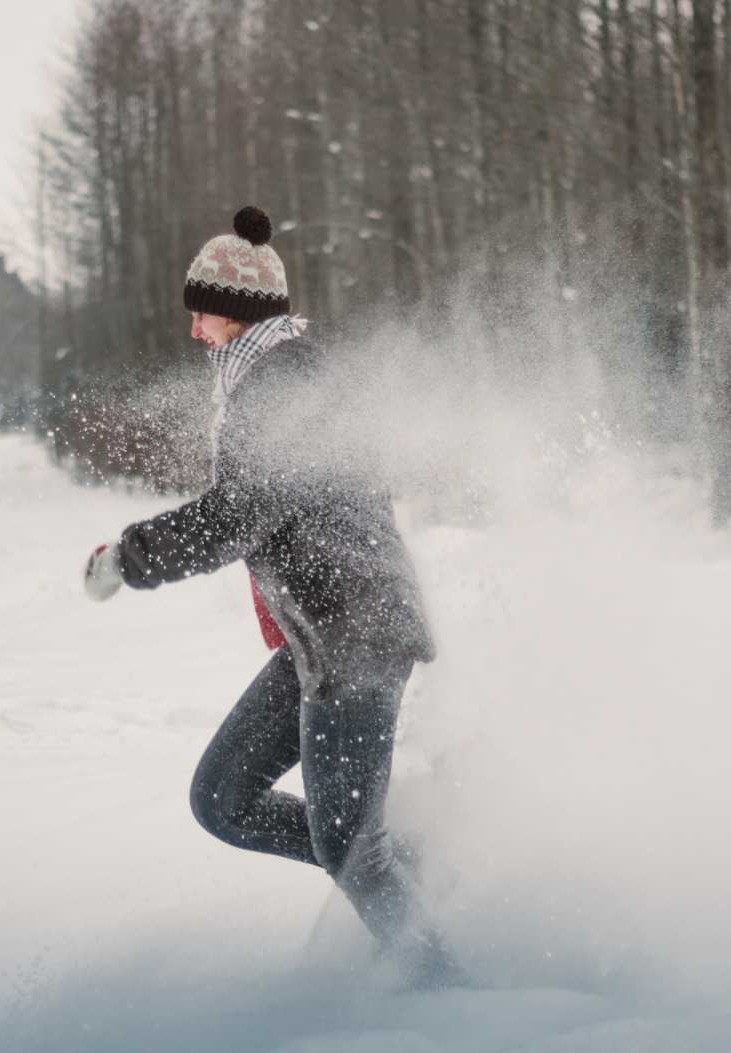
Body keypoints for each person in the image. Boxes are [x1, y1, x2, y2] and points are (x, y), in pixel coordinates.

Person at [82, 206, 459, 984]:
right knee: (223, 800)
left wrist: (133, 556)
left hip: (354, 634)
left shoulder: (287, 378)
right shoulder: (274, 377)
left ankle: (445, 991)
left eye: (202, 310)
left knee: (351, 852)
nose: (193, 329)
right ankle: (411, 858)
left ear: (241, 308)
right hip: (320, 638)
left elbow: (242, 511)